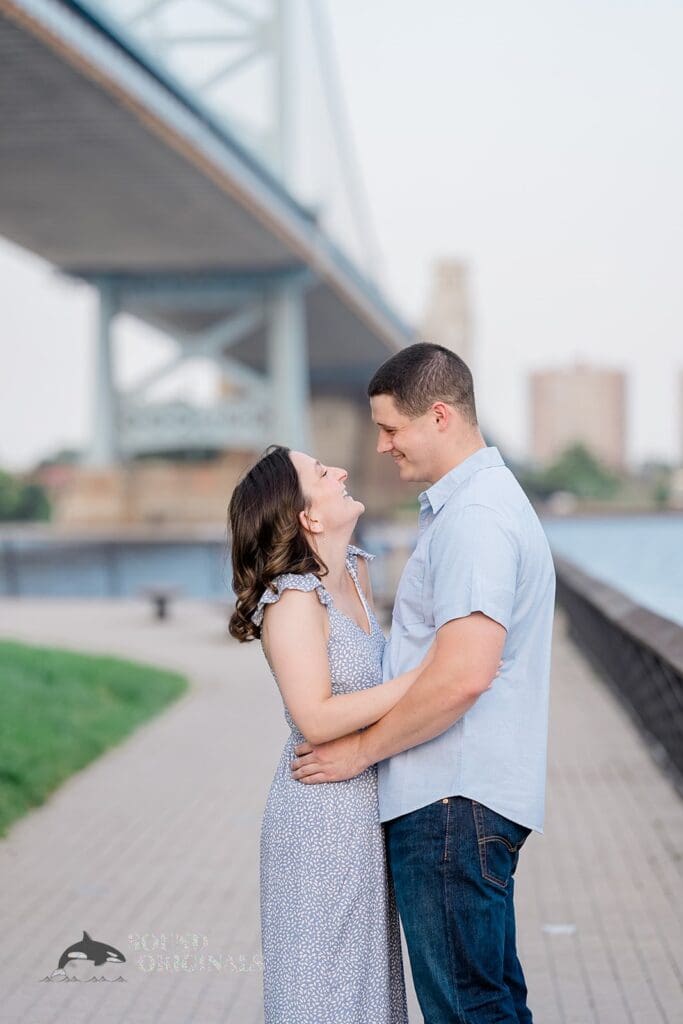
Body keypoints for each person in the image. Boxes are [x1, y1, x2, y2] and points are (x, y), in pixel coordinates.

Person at [290, 342, 556, 1024]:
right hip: (463, 801)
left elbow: (463, 674)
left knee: (467, 1011)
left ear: (439, 417)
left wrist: (358, 752)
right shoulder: (475, 507)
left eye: (389, 428)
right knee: (488, 1003)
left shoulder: (474, 519)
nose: (380, 447)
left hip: (448, 800)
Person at [228, 445, 503, 1022]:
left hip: (368, 801)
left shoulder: (355, 568)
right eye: (323, 473)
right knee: (322, 988)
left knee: (367, 987)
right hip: (321, 812)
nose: (342, 471)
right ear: (308, 516)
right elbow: (316, 717)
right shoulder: (294, 597)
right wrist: (430, 678)